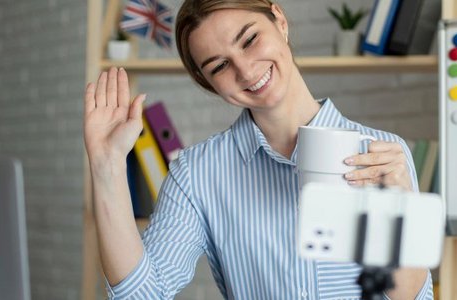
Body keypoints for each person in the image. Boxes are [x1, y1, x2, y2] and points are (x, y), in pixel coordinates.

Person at [83, 0, 432, 298]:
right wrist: (107, 165)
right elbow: (144, 294)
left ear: (279, 21)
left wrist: (402, 216)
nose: (246, 71)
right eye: (219, 66)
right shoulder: (198, 173)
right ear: (210, 84)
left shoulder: (384, 155)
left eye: (249, 39)